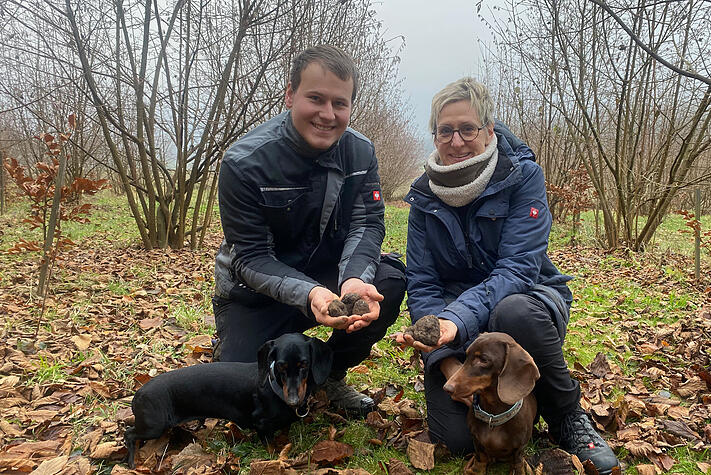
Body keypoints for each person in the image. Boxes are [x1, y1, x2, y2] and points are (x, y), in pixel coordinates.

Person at [394, 78, 619, 474]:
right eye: (445, 130)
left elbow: (517, 269)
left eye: (468, 128)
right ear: (435, 135)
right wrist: (448, 361)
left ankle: (566, 413)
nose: (457, 140)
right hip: (456, 331)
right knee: (460, 438)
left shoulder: (522, 177)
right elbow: (423, 284)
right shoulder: (423, 196)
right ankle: (486, 385)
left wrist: (455, 320)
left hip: (524, 298)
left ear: (489, 129)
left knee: (511, 313)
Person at [213, 45, 406, 416]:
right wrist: (311, 294)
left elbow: (367, 223)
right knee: (253, 407)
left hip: (324, 277)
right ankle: (234, 344)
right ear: (290, 94)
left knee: (390, 280)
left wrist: (352, 281)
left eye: (340, 103)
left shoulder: (361, 153)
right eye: (315, 98)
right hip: (253, 293)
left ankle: (328, 375)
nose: (328, 114)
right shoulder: (244, 162)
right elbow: (250, 257)